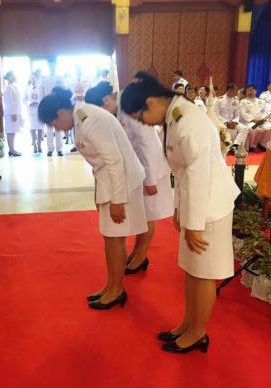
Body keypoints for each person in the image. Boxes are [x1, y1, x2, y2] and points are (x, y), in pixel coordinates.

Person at [121, 72, 240, 354]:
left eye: (140, 117)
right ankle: (188, 323)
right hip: (196, 204)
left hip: (210, 207)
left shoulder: (188, 121)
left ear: (151, 102)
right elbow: (183, 173)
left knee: (204, 273)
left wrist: (194, 223)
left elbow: (199, 175)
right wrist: (180, 208)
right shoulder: (175, 116)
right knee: (191, 270)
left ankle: (198, 333)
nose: (143, 123)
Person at [38, 88, 148, 310]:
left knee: (115, 238)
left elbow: (114, 161)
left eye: (53, 123)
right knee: (109, 238)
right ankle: (111, 286)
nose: (55, 129)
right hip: (111, 182)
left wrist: (117, 200)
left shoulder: (90, 119)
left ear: (61, 112)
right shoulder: (82, 118)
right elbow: (99, 164)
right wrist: (99, 194)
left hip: (123, 182)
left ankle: (117, 290)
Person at [85, 81, 173, 274]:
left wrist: (150, 179)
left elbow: (148, 144)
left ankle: (141, 256)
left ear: (106, 101)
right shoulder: (119, 109)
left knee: (148, 215)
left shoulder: (131, 104)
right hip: (138, 169)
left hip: (151, 169)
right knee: (142, 214)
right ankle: (136, 252)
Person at [214, 83, 248, 153]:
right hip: (222, 122)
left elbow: (237, 114)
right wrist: (226, 122)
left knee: (244, 128)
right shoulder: (219, 100)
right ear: (229, 90)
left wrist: (235, 122)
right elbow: (216, 114)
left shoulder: (236, 101)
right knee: (227, 129)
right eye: (235, 90)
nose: (236, 92)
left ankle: (235, 146)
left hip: (233, 122)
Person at [41, 59, 64, 157]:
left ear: (56, 65)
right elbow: (42, 93)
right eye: (50, 65)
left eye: (53, 65)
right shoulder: (44, 78)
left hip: (58, 105)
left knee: (58, 127)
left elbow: (63, 91)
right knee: (49, 128)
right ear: (48, 66)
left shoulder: (60, 77)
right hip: (48, 105)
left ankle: (59, 149)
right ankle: (50, 149)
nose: (52, 67)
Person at [240, 84, 271, 151]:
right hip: (249, 121)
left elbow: (264, 111)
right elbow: (243, 113)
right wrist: (253, 120)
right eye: (248, 91)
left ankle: (263, 144)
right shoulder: (243, 101)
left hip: (261, 121)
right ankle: (252, 146)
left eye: (251, 90)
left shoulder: (261, 101)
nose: (249, 92)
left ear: (255, 91)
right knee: (255, 128)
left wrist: (262, 119)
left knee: (269, 128)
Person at [3, 71, 22, 156]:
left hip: (14, 112)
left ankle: (12, 148)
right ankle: (11, 149)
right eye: (13, 75)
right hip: (10, 113)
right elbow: (9, 102)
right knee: (10, 131)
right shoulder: (8, 87)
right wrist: (13, 113)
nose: (14, 77)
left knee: (13, 131)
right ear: (9, 77)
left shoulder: (13, 86)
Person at [24, 72, 44, 153]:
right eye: (31, 78)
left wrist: (38, 102)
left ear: (37, 78)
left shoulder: (40, 88)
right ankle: (34, 145)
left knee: (40, 128)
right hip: (31, 110)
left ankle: (39, 145)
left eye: (34, 78)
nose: (33, 80)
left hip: (39, 110)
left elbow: (43, 98)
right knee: (32, 128)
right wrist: (29, 103)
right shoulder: (27, 88)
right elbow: (24, 99)